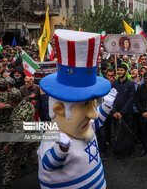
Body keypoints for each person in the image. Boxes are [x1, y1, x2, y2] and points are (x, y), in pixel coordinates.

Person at [38, 30, 112, 189]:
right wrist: (61, 149)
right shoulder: (54, 136)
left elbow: (96, 120)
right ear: (59, 109)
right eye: (85, 104)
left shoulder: (84, 128)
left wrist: (106, 105)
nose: (92, 113)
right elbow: (48, 164)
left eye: (93, 103)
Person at [1, 89, 36, 187]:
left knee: (11, 167)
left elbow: (18, 134)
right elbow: (19, 106)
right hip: (33, 138)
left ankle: (6, 184)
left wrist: (7, 146)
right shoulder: (28, 104)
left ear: (11, 101)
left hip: (22, 144)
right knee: (37, 159)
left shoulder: (17, 116)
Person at [110, 64, 135, 157]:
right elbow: (111, 98)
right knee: (117, 132)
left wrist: (122, 112)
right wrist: (115, 111)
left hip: (127, 113)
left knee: (128, 132)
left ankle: (130, 150)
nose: (120, 72)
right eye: (118, 70)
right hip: (115, 113)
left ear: (125, 71)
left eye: (121, 70)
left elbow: (131, 99)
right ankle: (117, 150)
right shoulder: (114, 84)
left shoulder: (131, 84)